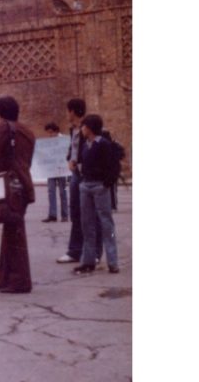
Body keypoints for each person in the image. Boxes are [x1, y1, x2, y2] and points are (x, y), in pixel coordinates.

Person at [0, 96, 36, 294]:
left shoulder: (5, 127)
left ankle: (19, 281)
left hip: (10, 185)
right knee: (12, 230)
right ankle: (5, 278)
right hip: (23, 183)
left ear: (0, 112)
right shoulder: (28, 131)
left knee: (15, 234)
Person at [56, 98, 102, 264]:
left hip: (86, 175)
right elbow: (73, 148)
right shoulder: (73, 130)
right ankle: (75, 250)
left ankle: (95, 251)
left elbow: (92, 148)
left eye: (68, 111)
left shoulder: (88, 127)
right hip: (76, 174)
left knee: (92, 214)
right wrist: (70, 158)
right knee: (76, 211)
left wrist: (80, 162)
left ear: (73, 111)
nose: (67, 114)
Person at [73, 114, 120, 275]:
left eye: (84, 126)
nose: (82, 129)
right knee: (87, 224)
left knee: (106, 223)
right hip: (86, 185)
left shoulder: (104, 145)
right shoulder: (85, 145)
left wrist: (106, 183)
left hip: (99, 185)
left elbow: (113, 166)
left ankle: (113, 262)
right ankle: (88, 261)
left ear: (90, 128)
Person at [42, 122, 69, 223]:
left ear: (56, 131)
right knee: (51, 191)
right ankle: (52, 214)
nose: (49, 135)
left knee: (63, 192)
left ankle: (65, 215)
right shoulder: (49, 142)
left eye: (50, 133)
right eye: (48, 133)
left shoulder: (64, 140)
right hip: (52, 169)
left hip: (62, 169)